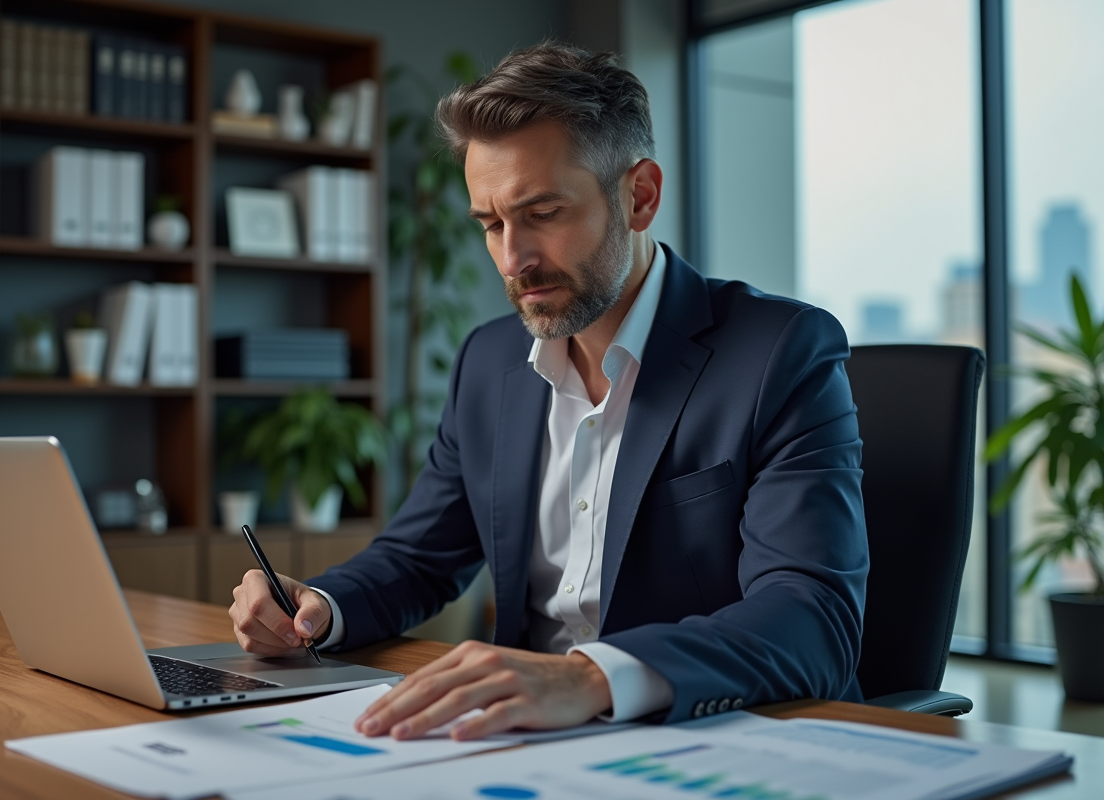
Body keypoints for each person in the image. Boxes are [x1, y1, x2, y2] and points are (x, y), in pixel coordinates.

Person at [230, 42, 869, 741]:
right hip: (521, 743)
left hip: (703, 739)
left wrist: (591, 676)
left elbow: (811, 618)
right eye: (491, 224)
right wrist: (318, 605)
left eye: (542, 213)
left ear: (639, 196)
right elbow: (419, 557)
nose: (513, 259)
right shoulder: (488, 361)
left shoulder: (780, 352)